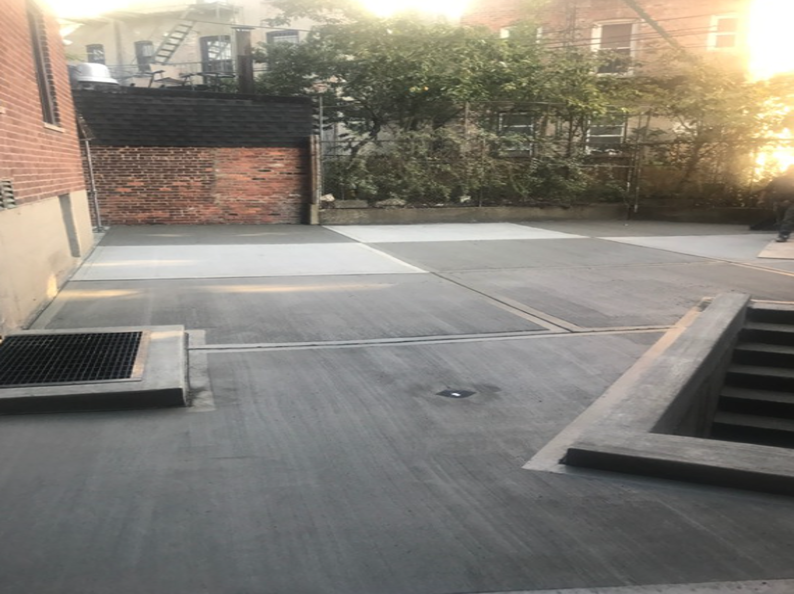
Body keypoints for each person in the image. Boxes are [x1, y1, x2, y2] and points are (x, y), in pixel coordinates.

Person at [759, 165, 794, 242]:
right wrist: (761, 200)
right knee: (780, 220)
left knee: (789, 218)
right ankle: (784, 232)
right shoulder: (778, 180)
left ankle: (783, 234)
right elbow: (766, 189)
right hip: (779, 202)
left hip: (792, 202)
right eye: (790, 170)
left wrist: (789, 200)